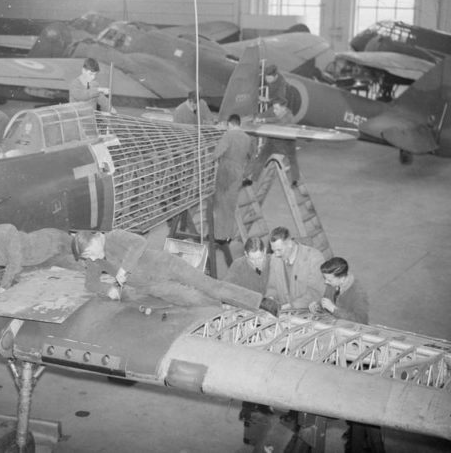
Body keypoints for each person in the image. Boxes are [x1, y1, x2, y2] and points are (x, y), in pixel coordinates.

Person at [71, 229, 263, 310]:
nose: (93, 259)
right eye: (87, 258)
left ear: (94, 239)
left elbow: (139, 242)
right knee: (193, 299)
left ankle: (260, 303)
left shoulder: (114, 236)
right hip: (153, 287)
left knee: (210, 286)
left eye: (90, 253)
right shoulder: (94, 260)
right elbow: (90, 283)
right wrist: (108, 289)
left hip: (167, 265)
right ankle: (226, 312)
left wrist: (123, 269)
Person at [0, 218, 77, 292]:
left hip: (53, 241)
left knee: (82, 251)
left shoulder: (8, 232)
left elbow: (15, 264)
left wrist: (3, 287)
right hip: (35, 261)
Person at [212, 114, 254, 242]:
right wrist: (246, 174)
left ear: (230, 124)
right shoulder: (247, 138)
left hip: (226, 171)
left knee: (220, 204)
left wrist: (208, 159)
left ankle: (219, 236)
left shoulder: (228, 135)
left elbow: (218, 152)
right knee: (230, 204)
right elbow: (252, 157)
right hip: (238, 172)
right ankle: (228, 235)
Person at [265, 226, 326, 310]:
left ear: (290, 243)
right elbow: (272, 287)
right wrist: (270, 299)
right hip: (285, 311)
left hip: (307, 311)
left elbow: (315, 292)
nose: (276, 254)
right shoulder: (274, 259)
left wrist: (291, 306)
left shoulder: (314, 258)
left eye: (279, 250)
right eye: (273, 250)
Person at [309, 257, 369, 324]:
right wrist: (318, 306)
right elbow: (327, 301)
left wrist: (334, 309)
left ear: (342, 279)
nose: (326, 282)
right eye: (325, 278)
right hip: (334, 323)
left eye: (329, 280)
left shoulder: (358, 293)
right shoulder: (332, 285)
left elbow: (361, 320)